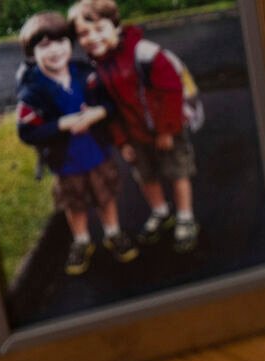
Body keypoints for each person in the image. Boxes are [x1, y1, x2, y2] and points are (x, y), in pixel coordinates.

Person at [69, 0, 199, 252]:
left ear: (116, 26)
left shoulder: (144, 53)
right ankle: (161, 212)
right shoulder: (98, 67)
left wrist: (166, 130)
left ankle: (185, 217)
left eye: (99, 29)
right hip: (134, 134)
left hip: (167, 129)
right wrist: (122, 141)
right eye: (83, 34)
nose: (92, 38)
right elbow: (112, 110)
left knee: (178, 172)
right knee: (145, 176)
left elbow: (171, 91)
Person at [13, 11, 136, 276]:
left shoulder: (86, 73)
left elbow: (110, 102)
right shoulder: (32, 92)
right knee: (74, 203)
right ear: (32, 53)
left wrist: (98, 113)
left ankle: (113, 233)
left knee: (106, 196)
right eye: (44, 46)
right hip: (65, 161)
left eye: (61, 42)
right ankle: (81, 240)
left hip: (97, 152)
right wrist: (61, 124)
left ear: (70, 44)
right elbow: (26, 132)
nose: (55, 50)